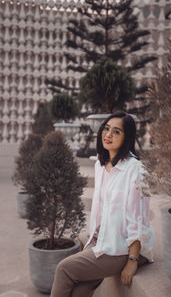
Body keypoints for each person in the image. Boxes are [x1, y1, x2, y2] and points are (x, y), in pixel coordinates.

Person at [50, 111, 154, 297]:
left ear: (127, 137)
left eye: (116, 132)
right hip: (99, 240)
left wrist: (132, 259)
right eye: (106, 129)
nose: (108, 135)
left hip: (119, 248)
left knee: (64, 269)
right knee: (79, 291)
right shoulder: (101, 165)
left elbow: (139, 218)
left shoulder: (137, 170)